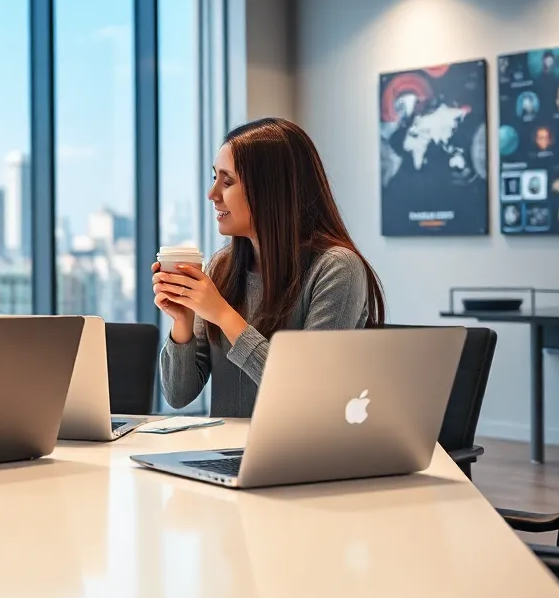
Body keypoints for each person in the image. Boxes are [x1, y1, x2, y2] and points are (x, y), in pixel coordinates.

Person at [153, 117, 385, 417]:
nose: (212, 194)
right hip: (223, 445)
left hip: (299, 447)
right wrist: (182, 322)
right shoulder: (221, 267)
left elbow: (306, 395)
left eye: (227, 181)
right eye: (214, 178)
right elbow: (178, 395)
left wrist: (223, 314)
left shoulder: (337, 269)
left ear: (271, 190)